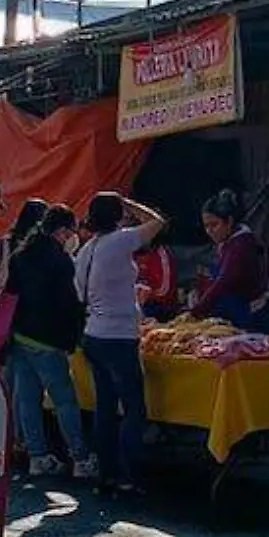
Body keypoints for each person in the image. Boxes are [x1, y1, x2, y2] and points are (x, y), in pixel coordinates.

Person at [74, 192, 166, 494]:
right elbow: (158, 222)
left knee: (105, 407)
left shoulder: (86, 250)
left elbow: (79, 294)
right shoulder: (120, 240)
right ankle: (128, 474)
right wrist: (130, 203)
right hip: (119, 337)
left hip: (94, 334)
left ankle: (107, 473)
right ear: (118, 216)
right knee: (134, 408)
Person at [6, 204, 89, 478]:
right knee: (64, 400)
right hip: (49, 340)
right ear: (63, 231)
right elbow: (68, 303)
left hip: (20, 337)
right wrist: (75, 336)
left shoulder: (21, 255)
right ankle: (80, 458)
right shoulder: (60, 260)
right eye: (70, 232)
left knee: (27, 400)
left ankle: (37, 457)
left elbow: (11, 295)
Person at [191, 189, 266, 329]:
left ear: (229, 221)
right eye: (206, 226)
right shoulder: (226, 242)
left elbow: (224, 281)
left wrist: (197, 311)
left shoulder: (241, 244)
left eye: (214, 225)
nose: (209, 231)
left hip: (248, 316)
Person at [134, 239, 180, 320]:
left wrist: (148, 294)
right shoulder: (128, 252)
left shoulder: (161, 255)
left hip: (159, 304)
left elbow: (164, 290)